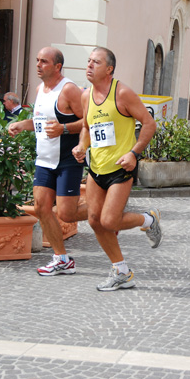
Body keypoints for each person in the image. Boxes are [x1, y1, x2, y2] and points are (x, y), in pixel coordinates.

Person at [72, 47, 162, 292]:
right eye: (88, 61)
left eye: (96, 62)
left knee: (109, 220)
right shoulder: (85, 96)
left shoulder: (122, 93)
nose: (89, 65)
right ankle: (121, 271)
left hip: (121, 167)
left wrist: (134, 153)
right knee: (94, 220)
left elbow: (149, 123)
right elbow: (88, 127)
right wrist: (82, 146)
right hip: (96, 168)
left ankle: (148, 219)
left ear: (109, 69)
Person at [8, 46, 88, 276]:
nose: (38, 65)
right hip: (44, 159)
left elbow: (88, 122)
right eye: (37, 60)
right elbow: (41, 120)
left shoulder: (69, 90)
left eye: (44, 61)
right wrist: (22, 125)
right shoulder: (40, 89)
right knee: (41, 208)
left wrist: (64, 128)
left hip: (67, 160)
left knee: (66, 213)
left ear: (57, 66)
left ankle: (101, 215)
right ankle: (61, 258)